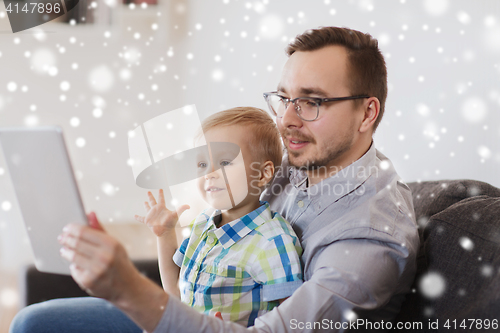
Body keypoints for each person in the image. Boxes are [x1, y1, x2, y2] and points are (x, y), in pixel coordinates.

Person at [10, 26, 419, 333]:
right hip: (210, 308)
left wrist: (128, 288)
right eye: (283, 98)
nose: (287, 120)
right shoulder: (303, 158)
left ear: (367, 114)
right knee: (35, 320)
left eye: (311, 102)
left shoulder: (371, 238)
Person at [134, 107, 303, 327]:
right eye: (203, 164)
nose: (209, 173)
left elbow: (294, 321)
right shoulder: (203, 224)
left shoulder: (272, 242)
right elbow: (175, 295)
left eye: (224, 163)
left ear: (263, 174)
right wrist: (164, 235)